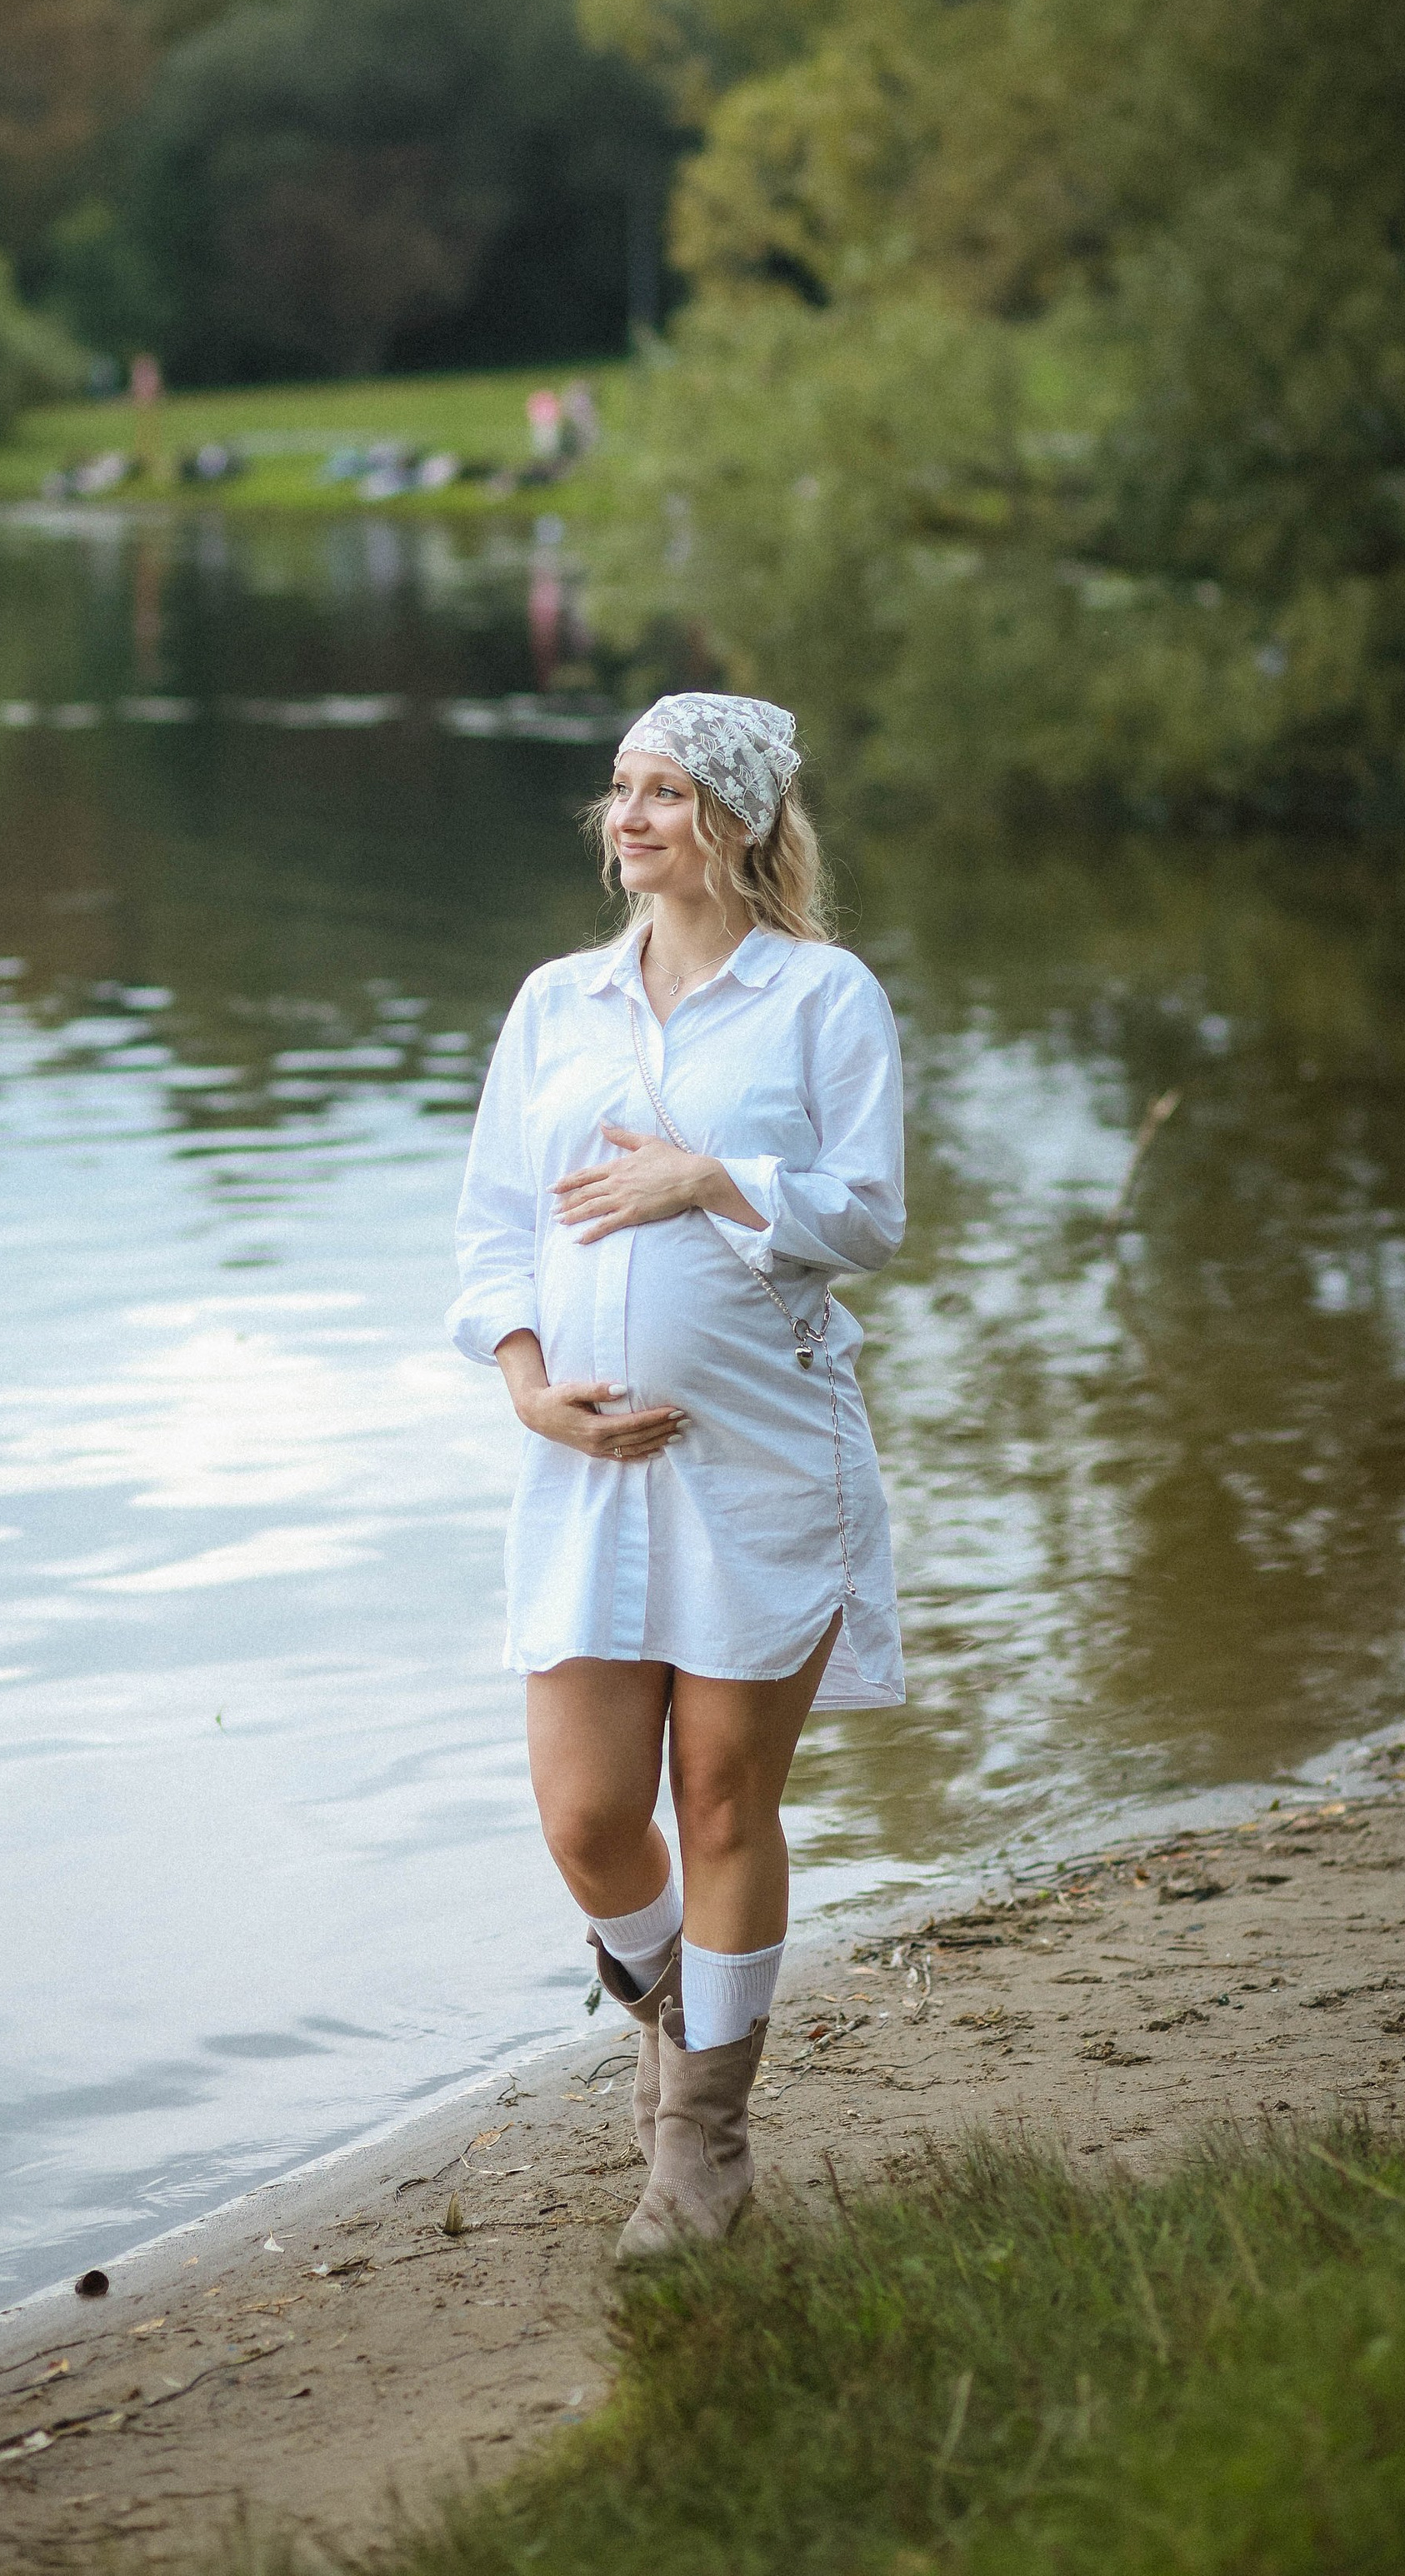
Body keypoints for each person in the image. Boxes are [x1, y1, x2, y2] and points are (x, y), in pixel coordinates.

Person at [448, 692, 906, 2259]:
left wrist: (707, 1178)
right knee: (587, 1819)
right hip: (584, 1472)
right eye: (620, 793)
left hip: (763, 1465)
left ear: (739, 823)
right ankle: (673, 2022)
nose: (626, 820)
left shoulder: (821, 998)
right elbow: (493, 1230)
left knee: (721, 1801)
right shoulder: (556, 1005)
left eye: (663, 795)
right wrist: (528, 1390)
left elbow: (868, 1218)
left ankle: (701, 2144)